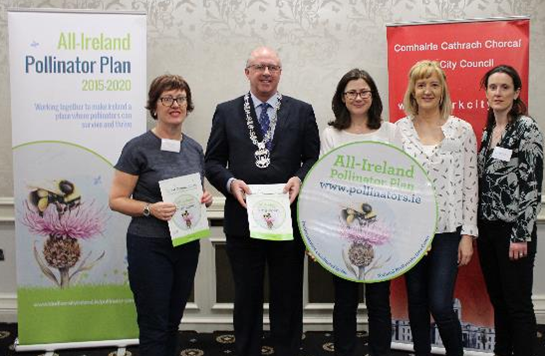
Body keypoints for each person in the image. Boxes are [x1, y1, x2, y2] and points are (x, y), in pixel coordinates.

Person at [205, 46, 320, 356]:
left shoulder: (301, 111)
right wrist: (230, 183)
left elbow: (312, 158)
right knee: (246, 299)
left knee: (288, 298)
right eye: (259, 67)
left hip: (288, 223)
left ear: (280, 73)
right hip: (243, 224)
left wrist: (299, 178)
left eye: (272, 67)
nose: (266, 72)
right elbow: (212, 161)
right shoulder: (226, 111)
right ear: (247, 72)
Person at [109, 74, 213, 356]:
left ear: (188, 106)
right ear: (154, 106)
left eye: (180, 98)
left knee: (172, 321)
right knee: (153, 323)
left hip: (186, 244)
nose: (174, 104)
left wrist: (204, 199)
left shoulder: (194, 148)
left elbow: (195, 192)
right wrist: (148, 208)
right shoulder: (137, 147)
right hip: (149, 245)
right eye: (166, 98)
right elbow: (116, 200)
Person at [396, 60, 478, 356]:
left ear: (443, 89)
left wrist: (467, 234)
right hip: (411, 232)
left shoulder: (462, 130)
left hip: (447, 232)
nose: (427, 90)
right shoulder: (398, 131)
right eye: (421, 85)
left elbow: (471, 184)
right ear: (412, 91)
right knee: (416, 302)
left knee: (441, 304)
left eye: (434, 84)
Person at [320, 68, 402, 356]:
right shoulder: (331, 134)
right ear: (342, 98)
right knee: (345, 300)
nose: (358, 97)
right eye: (352, 92)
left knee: (379, 301)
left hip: (382, 229)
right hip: (343, 229)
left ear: (373, 96)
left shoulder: (391, 131)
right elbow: (326, 183)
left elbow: (400, 178)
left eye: (364, 91)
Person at [477, 65, 543, 356]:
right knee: (499, 300)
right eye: (493, 87)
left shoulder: (526, 128)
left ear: (516, 92)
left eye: (505, 87)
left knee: (517, 304)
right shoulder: (489, 130)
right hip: (488, 230)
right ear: (487, 93)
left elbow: (532, 185)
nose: (498, 93)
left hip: (513, 232)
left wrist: (521, 234)